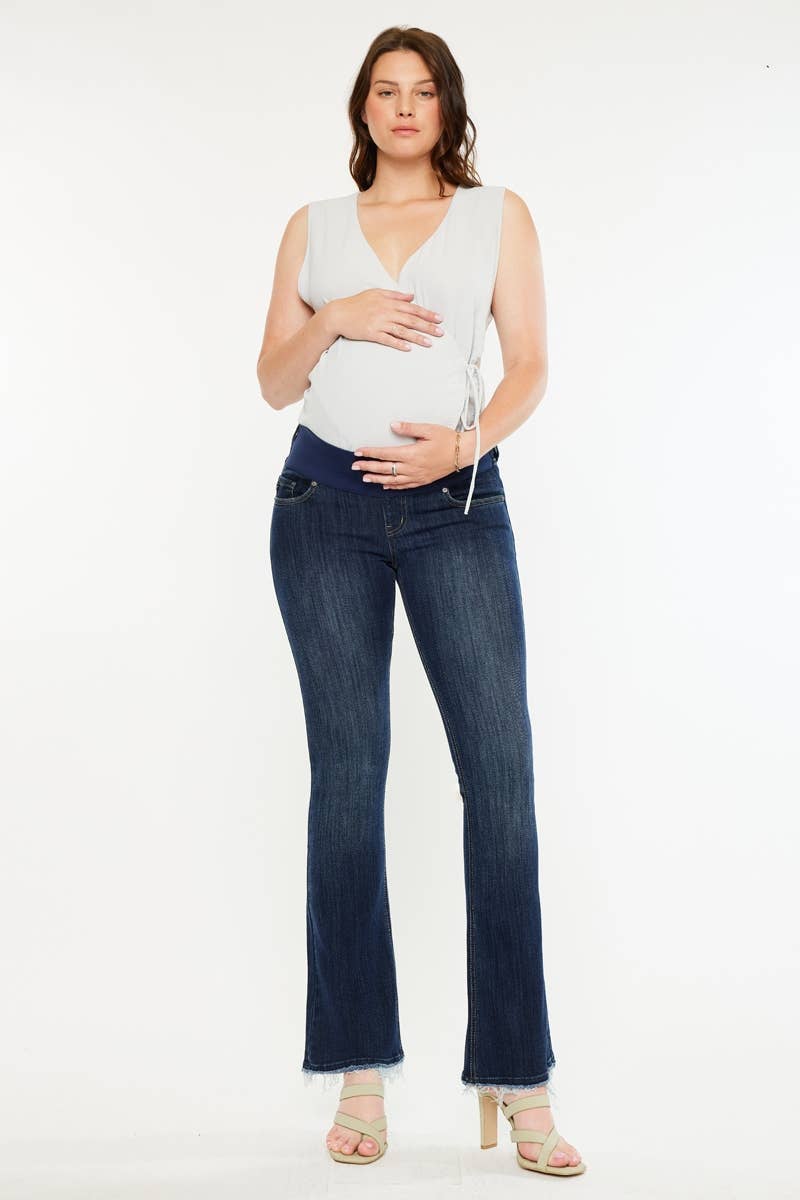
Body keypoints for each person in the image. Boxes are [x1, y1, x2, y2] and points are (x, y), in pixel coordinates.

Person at [256, 25, 585, 1177]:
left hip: (456, 509)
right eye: (385, 91)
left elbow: (530, 364)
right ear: (362, 110)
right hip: (322, 510)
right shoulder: (314, 226)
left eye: (424, 90)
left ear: (447, 108)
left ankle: (520, 1079)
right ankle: (357, 1074)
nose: (405, 108)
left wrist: (464, 445)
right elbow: (271, 381)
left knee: (499, 779)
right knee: (347, 784)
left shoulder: (498, 216)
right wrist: (332, 316)